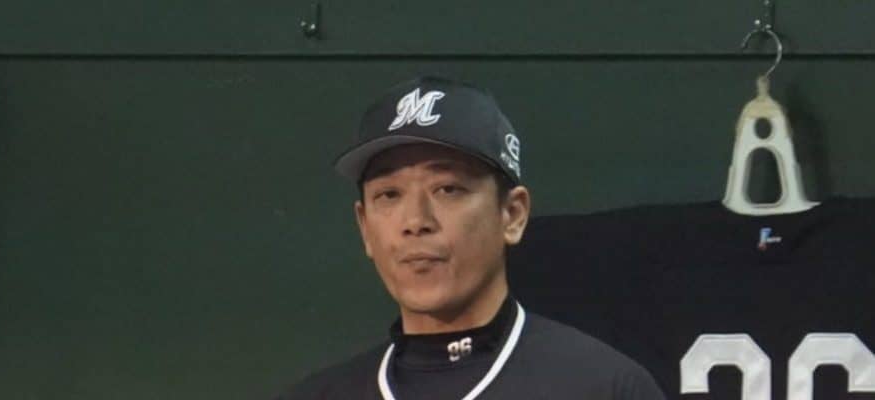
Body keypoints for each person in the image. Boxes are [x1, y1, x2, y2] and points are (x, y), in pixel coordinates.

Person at [277, 75, 666, 399]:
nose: (415, 221)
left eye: (448, 189)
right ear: (365, 227)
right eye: (389, 194)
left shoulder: (603, 388)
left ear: (512, 214)